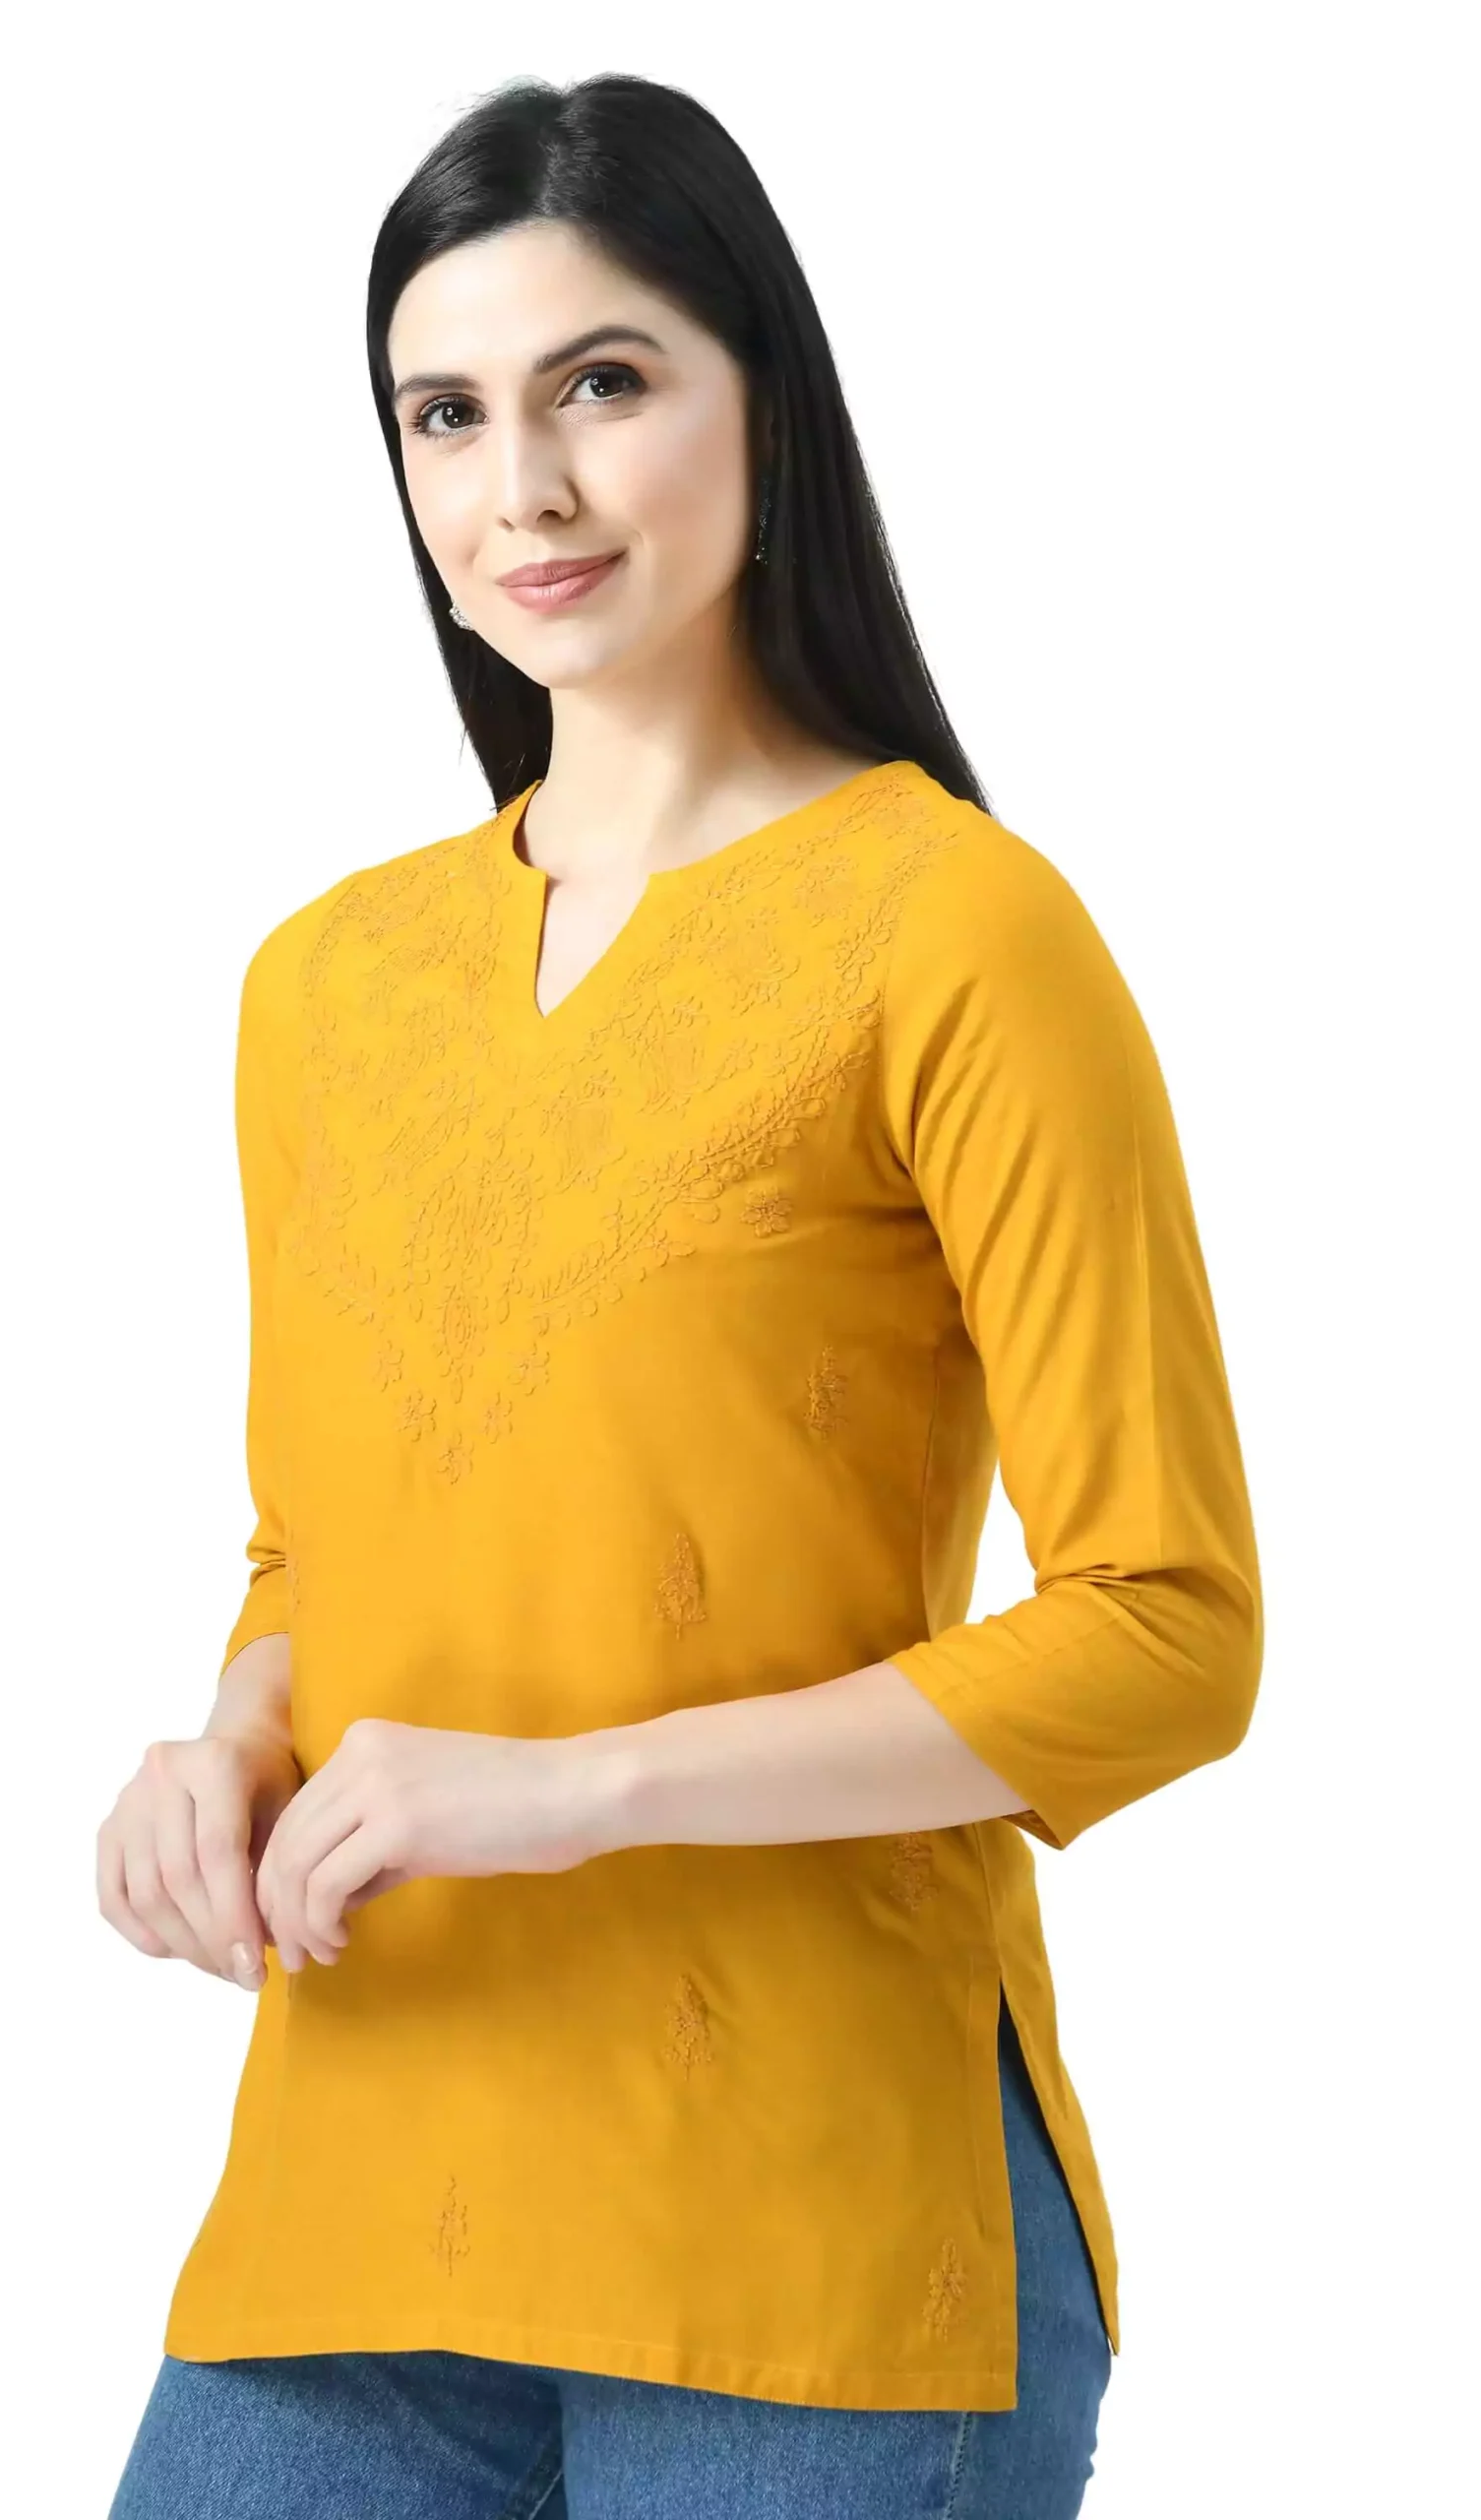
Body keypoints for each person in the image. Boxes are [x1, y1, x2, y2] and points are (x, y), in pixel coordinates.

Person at [98, 69, 1264, 2520]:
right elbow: (324, 1539)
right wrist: (227, 1738)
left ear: (766, 405)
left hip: (803, 2251)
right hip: (352, 2196)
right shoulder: (323, 985)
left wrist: (573, 1792)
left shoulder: (957, 933)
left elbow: (1165, 1624)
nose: (519, 483)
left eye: (601, 383)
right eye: (445, 412)